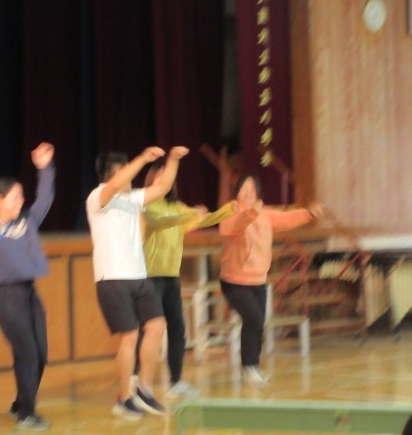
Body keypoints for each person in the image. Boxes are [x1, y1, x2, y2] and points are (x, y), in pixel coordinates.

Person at [85, 146, 188, 420]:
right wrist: (142, 159)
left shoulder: (133, 199)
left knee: (156, 326)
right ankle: (123, 398)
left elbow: (163, 187)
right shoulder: (97, 197)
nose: (129, 175)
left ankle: (144, 389)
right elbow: (114, 185)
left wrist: (173, 160)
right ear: (111, 173)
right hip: (112, 278)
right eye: (123, 169)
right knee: (129, 336)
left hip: (139, 276)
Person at [0, 142, 55, 432]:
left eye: (21, 197)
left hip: (30, 293)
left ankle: (20, 403)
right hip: (7, 297)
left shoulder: (28, 221)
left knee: (40, 354)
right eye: (14, 197)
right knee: (27, 352)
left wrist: (45, 168)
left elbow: (45, 198)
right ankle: (27, 414)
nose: (20, 202)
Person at [137, 159, 238, 397]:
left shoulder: (178, 207)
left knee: (177, 329)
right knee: (148, 330)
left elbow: (204, 219)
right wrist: (189, 214)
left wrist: (228, 210)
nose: (165, 180)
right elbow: (163, 222)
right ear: (152, 179)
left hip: (171, 278)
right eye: (160, 175)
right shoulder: (146, 205)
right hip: (150, 277)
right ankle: (137, 381)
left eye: (168, 176)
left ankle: (175, 381)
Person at [219, 173, 323, 387]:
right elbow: (232, 226)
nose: (247, 192)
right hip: (234, 281)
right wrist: (250, 214)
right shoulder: (229, 211)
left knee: (257, 323)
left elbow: (286, 218)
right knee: (254, 319)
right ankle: (249, 368)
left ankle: (252, 368)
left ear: (258, 192)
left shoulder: (266, 214)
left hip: (258, 280)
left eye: (252, 189)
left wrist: (309, 214)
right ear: (237, 191)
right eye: (243, 188)